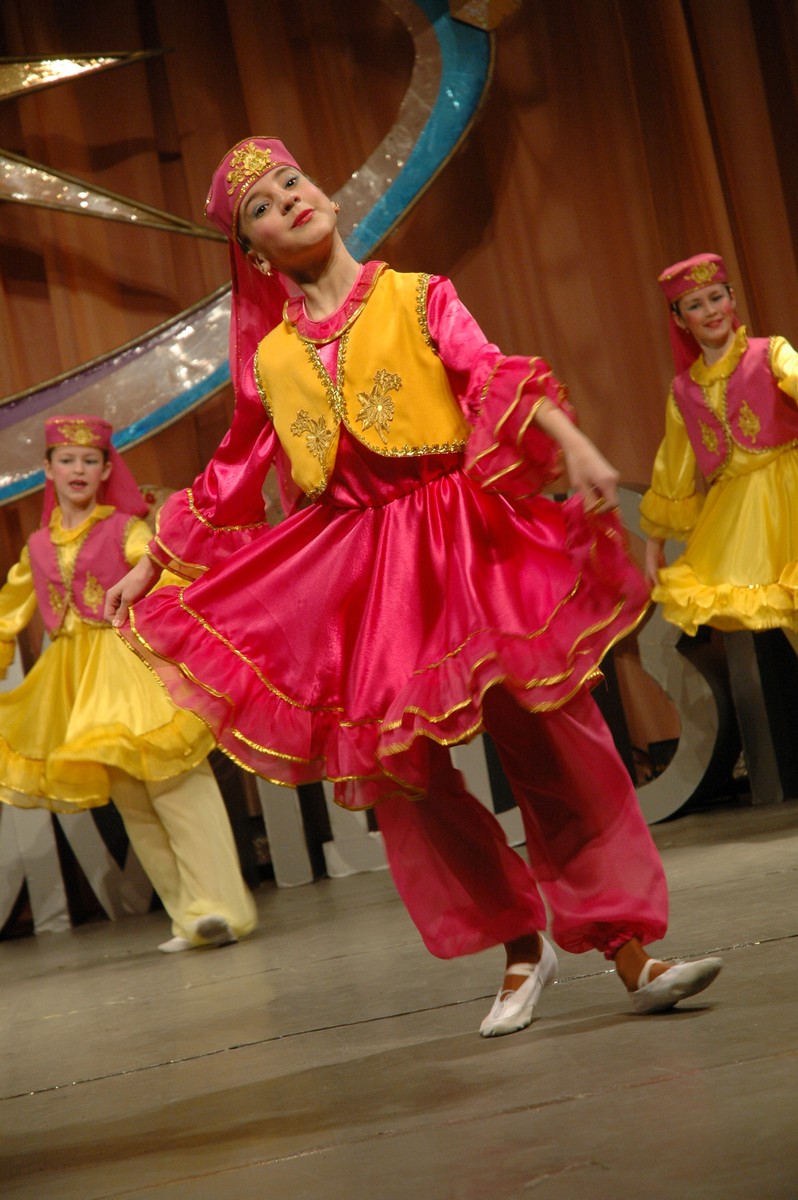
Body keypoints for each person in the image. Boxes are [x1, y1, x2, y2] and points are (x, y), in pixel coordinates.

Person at [105, 137, 722, 1034]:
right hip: (362, 573)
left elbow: (489, 372)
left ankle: (628, 948)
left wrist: (576, 445)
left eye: (291, 183)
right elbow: (233, 470)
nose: (288, 202)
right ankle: (518, 943)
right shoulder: (271, 358)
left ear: (324, 195)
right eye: (262, 208)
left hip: (462, 539)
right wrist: (149, 563)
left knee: (549, 739)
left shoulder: (417, 294)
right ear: (254, 251)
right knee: (404, 777)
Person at [0, 414, 257, 953]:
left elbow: (161, 571)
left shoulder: (126, 528)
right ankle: (189, 918)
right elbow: (7, 615)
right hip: (78, 689)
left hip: (132, 671)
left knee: (177, 788)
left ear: (104, 470)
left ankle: (223, 907)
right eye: (66, 460)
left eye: (89, 460)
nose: (77, 469)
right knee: (133, 803)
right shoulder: (38, 546)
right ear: (47, 469)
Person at [641, 252, 798, 640]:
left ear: (732, 299)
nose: (710, 311)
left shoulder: (769, 352)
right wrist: (654, 542)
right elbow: (673, 468)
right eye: (695, 305)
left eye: (716, 297)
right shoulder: (684, 391)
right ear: (680, 319)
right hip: (744, 519)